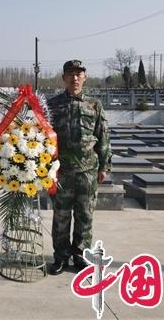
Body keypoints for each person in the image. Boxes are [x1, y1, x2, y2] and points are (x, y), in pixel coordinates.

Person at [47, 60, 112, 275]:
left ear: (84, 77)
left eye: (79, 74)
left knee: (85, 217)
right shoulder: (52, 105)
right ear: (63, 78)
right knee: (61, 217)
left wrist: (104, 166)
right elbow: (43, 138)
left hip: (87, 172)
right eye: (70, 74)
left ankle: (81, 256)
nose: (75, 78)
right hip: (62, 172)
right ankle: (60, 257)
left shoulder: (94, 105)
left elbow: (103, 136)